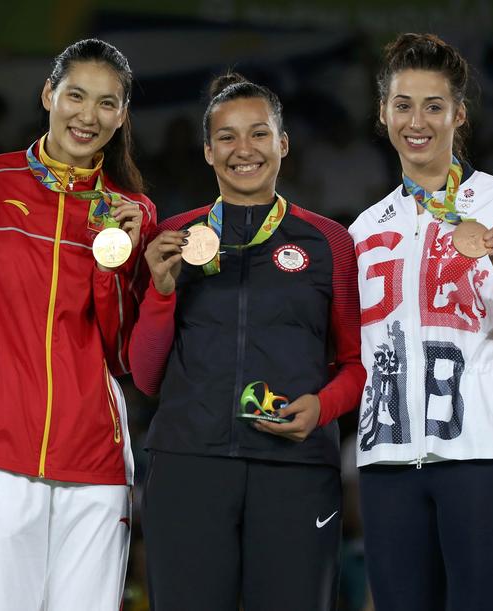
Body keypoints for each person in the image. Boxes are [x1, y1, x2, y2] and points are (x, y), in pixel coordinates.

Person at [349, 33, 493, 611]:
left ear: (459, 113)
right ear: (383, 113)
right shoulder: (363, 230)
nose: (416, 121)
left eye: (433, 105)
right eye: (403, 104)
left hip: (487, 456)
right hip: (387, 462)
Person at [0, 39, 156, 610]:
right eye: (75, 96)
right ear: (48, 94)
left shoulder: (131, 211)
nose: (88, 116)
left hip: (96, 458)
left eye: (107, 103)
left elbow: (126, 352)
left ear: (123, 114)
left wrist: (121, 259)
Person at [130, 73, 365, 611]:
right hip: (190, 465)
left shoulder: (330, 242)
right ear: (208, 151)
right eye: (228, 137)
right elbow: (146, 377)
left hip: (296, 468)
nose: (245, 150)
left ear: (283, 144)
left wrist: (322, 408)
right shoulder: (176, 236)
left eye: (259, 134)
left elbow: (356, 365)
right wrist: (162, 292)